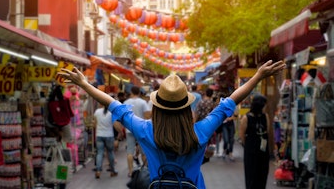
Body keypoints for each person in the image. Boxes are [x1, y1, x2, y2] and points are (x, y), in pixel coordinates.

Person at [58, 60, 285, 189]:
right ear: (187, 107)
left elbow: (115, 105)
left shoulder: (146, 130)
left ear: (157, 106)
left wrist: (85, 85)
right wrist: (257, 77)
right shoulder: (200, 132)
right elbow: (230, 102)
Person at [239, 94, 270, 189]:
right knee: (251, 174)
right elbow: (242, 134)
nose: (265, 107)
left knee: (263, 173)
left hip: (263, 150)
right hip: (251, 150)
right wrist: (248, 144)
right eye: (264, 105)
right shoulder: (246, 118)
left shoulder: (265, 116)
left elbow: (267, 131)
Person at [124, 85, 151, 177]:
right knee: (144, 151)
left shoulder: (126, 102)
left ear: (131, 92)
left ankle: (130, 171)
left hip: (129, 129)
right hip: (141, 129)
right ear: (139, 93)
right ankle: (146, 170)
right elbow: (147, 115)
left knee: (130, 151)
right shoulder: (143, 102)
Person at [93, 103, 122, 179]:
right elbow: (116, 125)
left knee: (99, 153)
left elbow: (94, 124)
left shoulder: (97, 112)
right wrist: (120, 133)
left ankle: (98, 170)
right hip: (109, 135)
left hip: (99, 135)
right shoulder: (111, 113)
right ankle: (112, 171)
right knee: (110, 152)